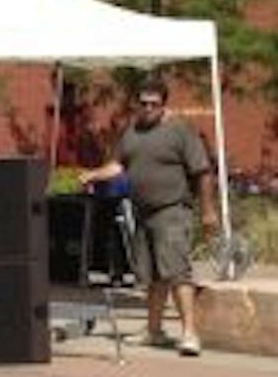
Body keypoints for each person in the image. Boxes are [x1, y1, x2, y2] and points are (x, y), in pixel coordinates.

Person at [79, 80, 216, 355]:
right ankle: (154, 331)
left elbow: (202, 172)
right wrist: (93, 174)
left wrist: (209, 211)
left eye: (155, 103)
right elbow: (118, 165)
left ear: (164, 104)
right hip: (143, 213)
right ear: (137, 104)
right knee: (152, 276)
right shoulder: (131, 131)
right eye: (144, 103)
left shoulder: (180, 131)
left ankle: (190, 334)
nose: (149, 108)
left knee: (177, 271)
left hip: (172, 210)